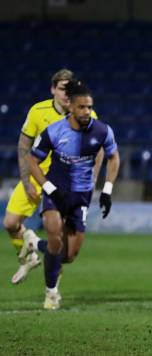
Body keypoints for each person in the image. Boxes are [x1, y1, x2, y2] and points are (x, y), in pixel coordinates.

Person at [26, 80, 120, 310]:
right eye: (82, 107)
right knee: (56, 240)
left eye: (89, 107)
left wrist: (106, 190)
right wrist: (49, 189)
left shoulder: (102, 130)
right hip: (56, 193)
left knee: (68, 255)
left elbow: (114, 157)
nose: (87, 112)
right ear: (71, 107)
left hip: (82, 195)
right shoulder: (54, 132)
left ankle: (34, 243)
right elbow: (32, 160)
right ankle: (51, 293)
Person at [4, 69, 100, 284]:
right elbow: (24, 145)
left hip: (66, 184)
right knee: (10, 223)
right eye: (61, 89)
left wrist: (92, 177)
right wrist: (26, 178)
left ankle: (51, 283)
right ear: (52, 90)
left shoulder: (85, 113)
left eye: (69, 89)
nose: (66, 94)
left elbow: (99, 146)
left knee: (62, 247)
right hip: (37, 176)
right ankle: (30, 257)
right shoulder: (38, 111)